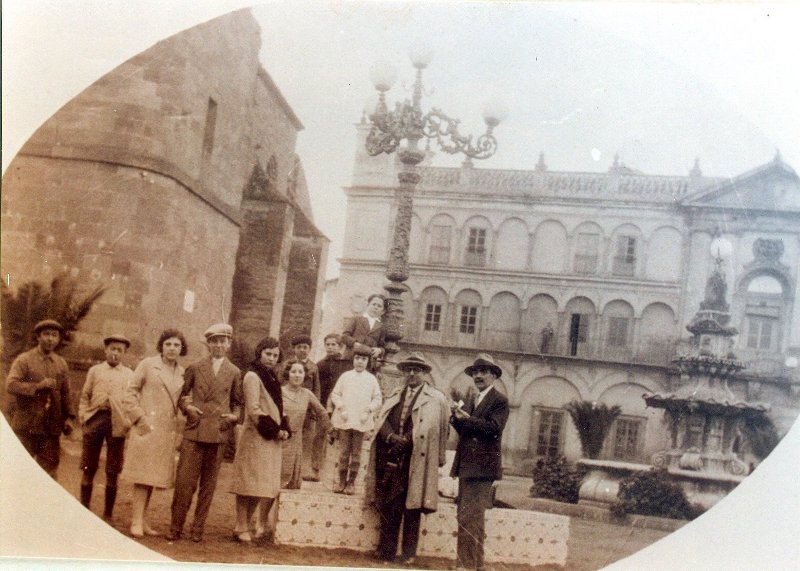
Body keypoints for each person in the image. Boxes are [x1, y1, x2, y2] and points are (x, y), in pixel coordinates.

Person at [366, 352, 449, 565]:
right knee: (390, 503)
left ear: (424, 373)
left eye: (417, 370)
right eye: (409, 369)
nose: (412, 373)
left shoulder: (435, 398)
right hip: (393, 456)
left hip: (416, 458)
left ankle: (409, 554)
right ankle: (386, 551)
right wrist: (392, 437)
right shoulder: (395, 393)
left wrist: (408, 440)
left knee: (412, 506)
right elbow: (381, 419)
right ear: (404, 372)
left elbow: (435, 427)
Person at [168, 323, 243, 542]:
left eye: (223, 341)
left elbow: (237, 403)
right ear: (208, 344)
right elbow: (182, 397)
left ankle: (197, 529)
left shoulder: (234, 372)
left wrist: (233, 417)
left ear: (228, 344)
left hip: (218, 433)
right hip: (195, 430)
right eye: (214, 341)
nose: (219, 345)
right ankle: (175, 527)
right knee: (184, 483)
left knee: (208, 486)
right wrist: (188, 408)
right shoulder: (195, 367)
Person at [121, 328, 188, 538]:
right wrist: (140, 419)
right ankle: (135, 521)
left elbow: (183, 402)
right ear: (161, 346)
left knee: (152, 478)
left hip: (165, 431)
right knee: (142, 477)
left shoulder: (182, 372)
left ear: (181, 348)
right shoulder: (148, 365)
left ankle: (144, 519)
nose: (172, 348)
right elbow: (130, 393)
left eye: (176, 345)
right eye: (168, 344)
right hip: (146, 427)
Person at [450, 353, 510, 571]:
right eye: (475, 372)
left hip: (482, 469)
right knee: (471, 519)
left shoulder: (499, 401)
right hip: (468, 466)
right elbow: (467, 430)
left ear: (494, 375)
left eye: (483, 372)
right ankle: (477, 565)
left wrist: (468, 419)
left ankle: (465, 566)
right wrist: (456, 419)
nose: (478, 376)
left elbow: (495, 429)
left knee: (468, 518)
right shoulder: (474, 399)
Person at [229, 337, 290, 543]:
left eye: (275, 355)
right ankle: (240, 524)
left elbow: (278, 409)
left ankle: (245, 524)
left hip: (270, 439)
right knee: (248, 481)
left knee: (261, 483)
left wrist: (284, 427)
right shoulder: (253, 376)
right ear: (260, 353)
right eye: (268, 354)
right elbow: (254, 410)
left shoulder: (272, 376)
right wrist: (274, 431)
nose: (272, 358)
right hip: (256, 435)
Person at [5, 319, 76, 479]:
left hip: (51, 429)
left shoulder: (61, 363)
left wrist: (69, 418)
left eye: (54, 335)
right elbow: (11, 384)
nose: (50, 339)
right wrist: (37, 386)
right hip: (26, 426)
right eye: (46, 334)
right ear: (38, 337)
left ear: (58, 339)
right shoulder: (24, 359)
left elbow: (66, 393)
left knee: (48, 475)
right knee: (20, 473)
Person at [78, 334, 134, 522]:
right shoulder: (95, 371)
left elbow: (131, 400)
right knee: (89, 466)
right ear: (106, 350)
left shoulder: (128, 374)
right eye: (112, 349)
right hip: (95, 419)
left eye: (119, 350)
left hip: (116, 422)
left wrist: (127, 421)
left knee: (113, 469)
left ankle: (108, 514)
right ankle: (83, 509)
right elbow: (85, 395)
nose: (115, 353)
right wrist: (83, 417)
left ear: (124, 353)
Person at [329, 345, 382, 495]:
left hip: (361, 420)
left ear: (368, 361)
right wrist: (341, 407)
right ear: (353, 359)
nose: (360, 362)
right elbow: (335, 394)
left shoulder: (371, 379)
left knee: (357, 454)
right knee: (344, 452)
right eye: (357, 358)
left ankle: (351, 482)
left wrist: (368, 409)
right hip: (345, 419)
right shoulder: (345, 376)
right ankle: (341, 481)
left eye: (364, 359)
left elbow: (378, 399)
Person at [280, 360, 331, 489]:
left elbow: (322, 412)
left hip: (296, 441)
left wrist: (331, 429)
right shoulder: (279, 392)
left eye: (300, 372)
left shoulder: (307, 394)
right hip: (279, 438)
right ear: (288, 374)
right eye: (293, 372)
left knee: (291, 482)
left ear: (305, 376)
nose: (297, 375)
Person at [277, 334, 321, 482]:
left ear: (309, 349)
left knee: (306, 439)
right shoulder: (287, 365)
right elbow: (280, 384)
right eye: (299, 347)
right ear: (294, 349)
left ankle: (301, 470)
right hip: (290, 408)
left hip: (307, 410)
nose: (302, 350)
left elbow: (316, 389)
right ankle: (283, 469)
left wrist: (314, 410)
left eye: (305, 347)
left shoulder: (313, 367)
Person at [311, 333, 352, 481]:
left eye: (333, 344)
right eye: (327, 344)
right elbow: (316, 387)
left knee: (341, 438)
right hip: (323, 406)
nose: (330, 347)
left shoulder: (347, 364)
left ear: (340, 346)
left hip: (341, 406)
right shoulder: (320, 365)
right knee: (319, 436)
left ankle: (337, 474)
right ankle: (315, 469)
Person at [341, 293, 386, 372]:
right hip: (350, 358)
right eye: (373, 304)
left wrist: (379, 350)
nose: (375, 307)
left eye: (379, 306)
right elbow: (344, 337)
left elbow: (382, 346)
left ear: (382, 311)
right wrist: (354, 343)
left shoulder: (381, 326)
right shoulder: (356, 319)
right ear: (368, 305)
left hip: (368, 362)